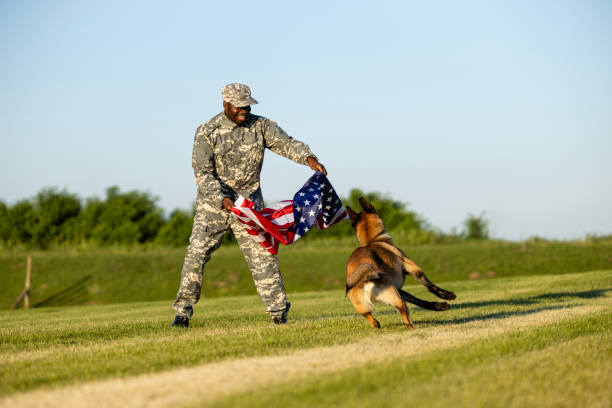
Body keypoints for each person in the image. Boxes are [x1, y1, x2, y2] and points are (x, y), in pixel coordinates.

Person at [172, 83, 327, 327]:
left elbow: (285, 143)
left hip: (248, 207)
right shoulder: (207, 132)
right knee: (196, 256)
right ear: (225, 104)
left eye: (247, 105)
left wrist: (308, 158)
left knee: (264, 257)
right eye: (238, 106)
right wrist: (222, 199)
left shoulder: (260, 125)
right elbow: (203, 174)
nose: (244, 110)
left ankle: (278, 315)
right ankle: (182, 313)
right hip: (213, 207)